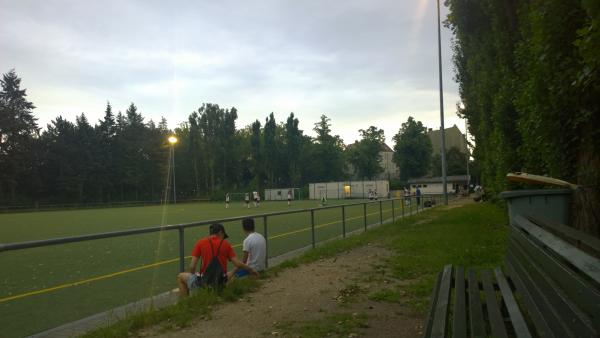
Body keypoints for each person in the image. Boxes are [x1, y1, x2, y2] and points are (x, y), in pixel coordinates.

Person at [177, 223, 258, 297]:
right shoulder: (226, 244)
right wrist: (251, 270)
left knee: (180, 277)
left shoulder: (200, 243)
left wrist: (194, 274)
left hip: (205, 282)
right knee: (232, 273)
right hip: (221, 281)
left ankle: (185, 302)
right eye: (223, 235)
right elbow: (238, 264)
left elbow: (192, 266)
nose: (223, 238)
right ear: (220, 233)